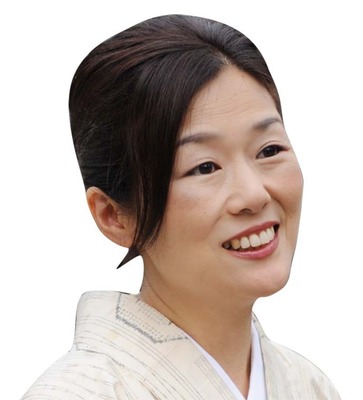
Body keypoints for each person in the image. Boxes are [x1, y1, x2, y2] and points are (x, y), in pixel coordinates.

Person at [21, 14, 340, 400]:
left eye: (269, 150)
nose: (255, 195)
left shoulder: (310, 387)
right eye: (204, 167)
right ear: (113, 215)